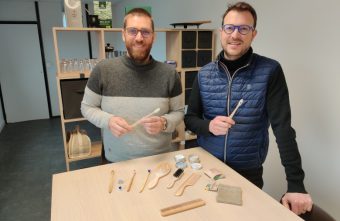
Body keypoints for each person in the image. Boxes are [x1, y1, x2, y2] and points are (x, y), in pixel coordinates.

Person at [184, 2, 313, 216]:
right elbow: (190, 119)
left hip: (247, 171)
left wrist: (296, 184)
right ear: (221, 31)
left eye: (244, 28)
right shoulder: (204, 73)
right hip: (207, 167)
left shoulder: (270, 70)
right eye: (230, 27)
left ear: (253, 34)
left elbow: (283, 129)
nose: (235, 34)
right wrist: (209, 126)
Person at [81, 8, 184, 163]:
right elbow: (87, 107)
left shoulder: (170, 74)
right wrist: (108, 120)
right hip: (115, 161)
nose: (139, 38)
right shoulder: (103, 70)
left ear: (153, 37)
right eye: (132, 31)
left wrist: (164, 123)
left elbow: (179, 112)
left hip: (160, 161)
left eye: (145, 32)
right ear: (123, 34)